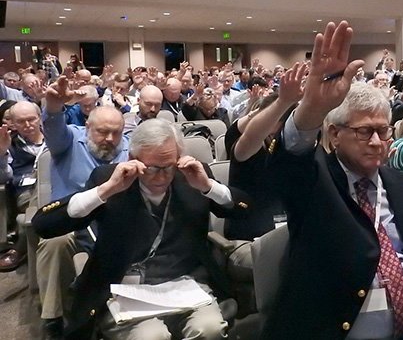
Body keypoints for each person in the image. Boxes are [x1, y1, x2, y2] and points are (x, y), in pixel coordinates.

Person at [263, 21, 403, 340]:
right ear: (334, 134)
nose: (376, 141)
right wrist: (311, 109)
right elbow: (288, 165)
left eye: (383, 131)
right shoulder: (316, 181)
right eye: (364, 131)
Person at [32, 118, 252, 339]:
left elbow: (245, 210)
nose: (162, 177)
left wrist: (208, 187)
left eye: (169, 167)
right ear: (132, 160)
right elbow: (44, 225)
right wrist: (106, 190)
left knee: (209, 328)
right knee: (150, 336)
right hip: (126, 289)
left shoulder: (192, 175)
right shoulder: (109, 179)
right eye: (153, 168)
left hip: (185, 286)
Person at [37, 74, 130, 339]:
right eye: (102, 132)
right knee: (55, 243)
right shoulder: (67, 142)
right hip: (70, 222)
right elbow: (54, 126)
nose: (110, 139)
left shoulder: (128, 150)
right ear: (87, 126)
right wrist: (54, 105)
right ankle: (54, 319)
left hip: (110, 222)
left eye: (116, 133)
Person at [223, 62, 306, 240]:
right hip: (249, 235)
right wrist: (282, 102)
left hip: (283, 229)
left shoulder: (287, 147)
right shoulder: (247, 148)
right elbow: (250, 133)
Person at [0, 101, 46, 272]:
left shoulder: (55, 139)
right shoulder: (7, 143)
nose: (27, 125)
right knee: (39, 201)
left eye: (31, 119)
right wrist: (2, 154)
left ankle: (19, 249)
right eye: (20, 122)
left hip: (53, 187)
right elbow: (4, 178)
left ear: (40, 117)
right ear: (12, 122)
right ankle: (21, 249)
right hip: (26, 193)